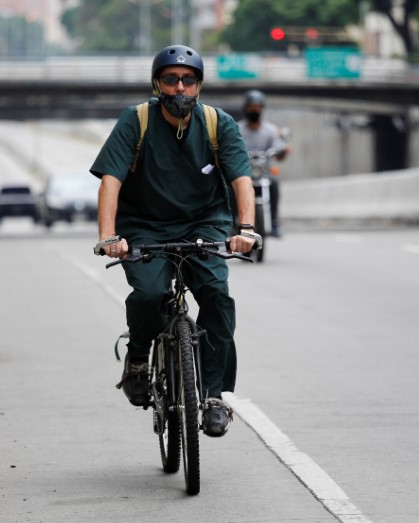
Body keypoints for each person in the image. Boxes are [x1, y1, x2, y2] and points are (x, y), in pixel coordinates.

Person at [90, 45, 258, 437]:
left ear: (199, 87)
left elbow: (241, 179)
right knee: (149, 293)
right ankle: (137, 360)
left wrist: (246, 230)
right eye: (171, 79)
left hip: (204, 222)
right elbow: (111, 181)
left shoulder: (218, 123)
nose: (179, 88)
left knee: (216, 293)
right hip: (144, 225)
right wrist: (108, 236)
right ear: (157, 84)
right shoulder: (137, 120)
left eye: (188, 80)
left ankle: (215, 396)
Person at [237, 90, 290, 237]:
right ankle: (231, 220)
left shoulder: (271, 130)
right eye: (252, 106)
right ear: (246, 108)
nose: (255, 109)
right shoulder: (236, 129)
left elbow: (279, 152)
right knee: (229, 187)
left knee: (274, 183)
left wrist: (282, 151)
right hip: (242, 172)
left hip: (262, 173)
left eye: (258, 106)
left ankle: (274, 222)